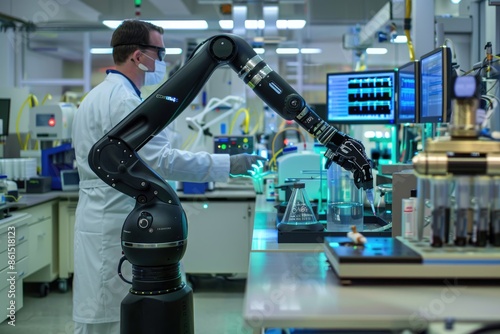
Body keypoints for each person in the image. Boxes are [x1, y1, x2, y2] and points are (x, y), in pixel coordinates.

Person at [71, 19, 264, 334]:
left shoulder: (97, 96)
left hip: (102, 215)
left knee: (103, 316)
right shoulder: (123, 100)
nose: (162, 61)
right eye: (159, 53)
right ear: (138, 56)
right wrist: (229, 163)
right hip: (116, 217)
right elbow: (160, 161)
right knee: (114, 319)